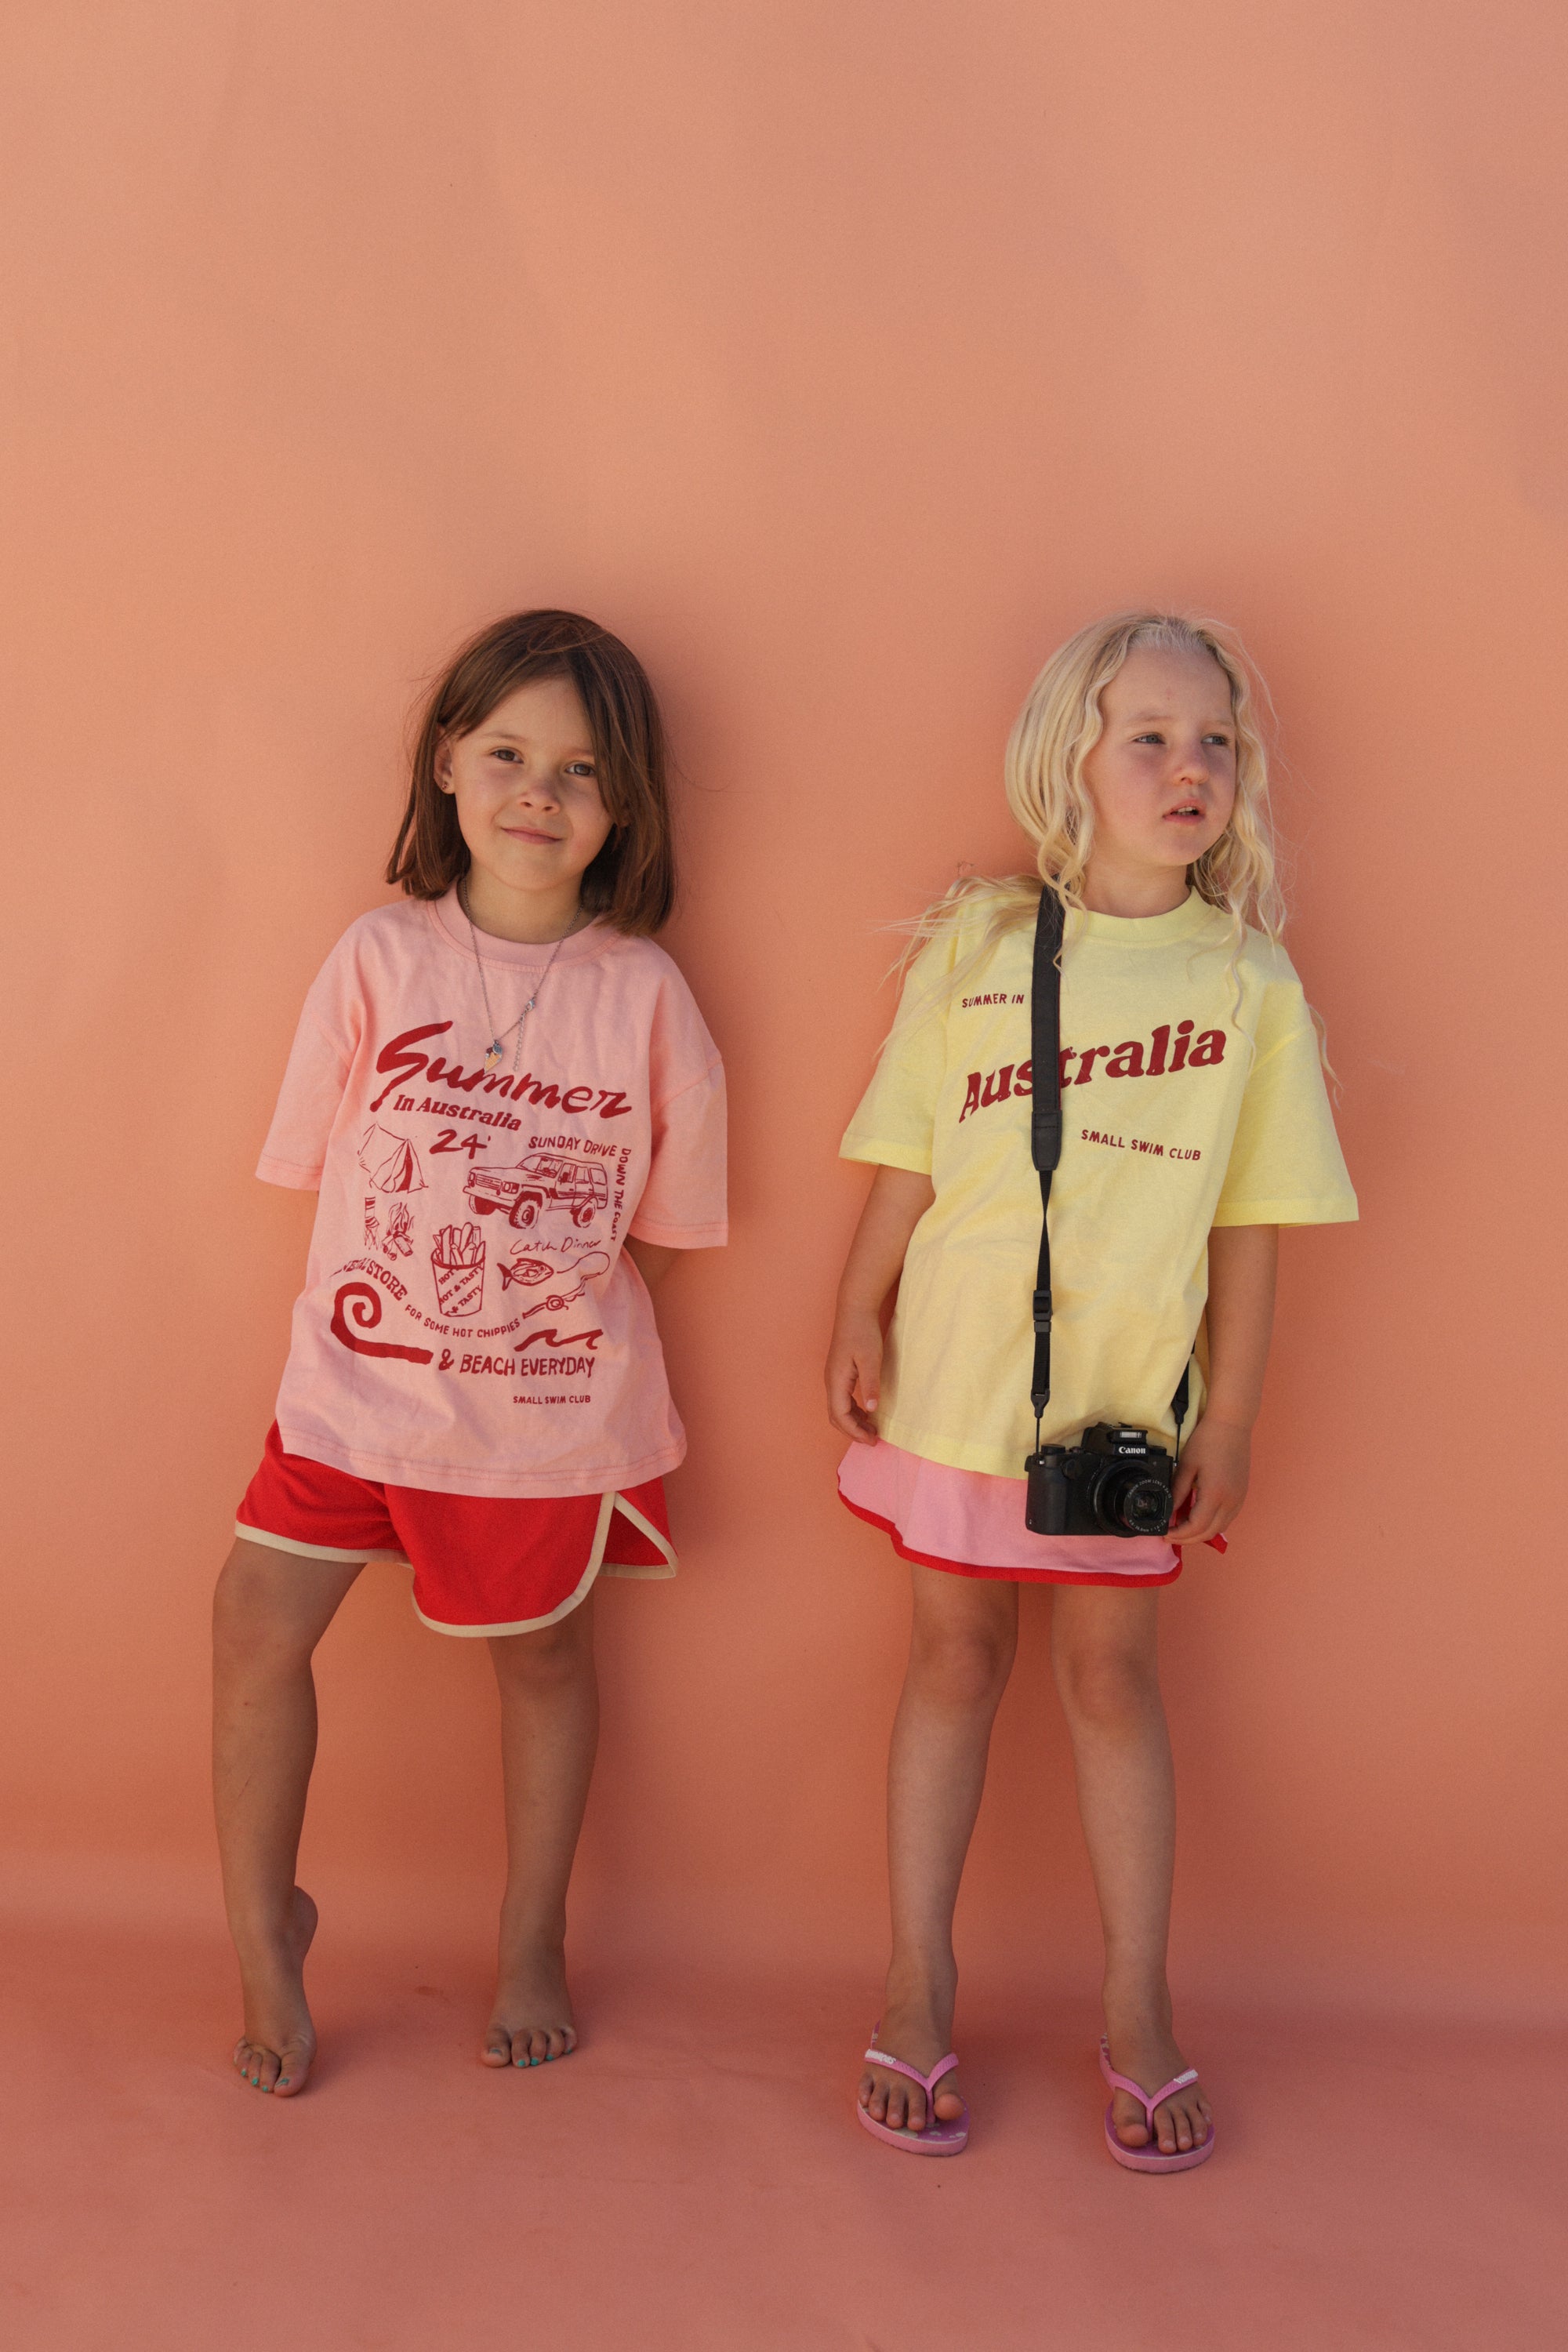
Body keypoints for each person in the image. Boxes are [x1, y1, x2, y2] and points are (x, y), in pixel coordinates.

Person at [826, 612, 1356, 2169]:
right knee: (947, 1658)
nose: (1189, 766)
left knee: (1113, 1679)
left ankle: (1137, 2003)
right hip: (956, 1385)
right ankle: (916, 1979)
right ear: (1076, 759)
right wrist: (854, 1308)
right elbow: (905, 1154)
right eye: (1150, 736)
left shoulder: (1249, 983)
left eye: (1215, 742)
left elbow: (1256, 1224)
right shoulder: (976, 950)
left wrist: (1234, 1415)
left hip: (1121, 1409)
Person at [214, 610, 726, 2096]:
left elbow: (674, 1230)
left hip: (544, 1412)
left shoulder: (644, 994)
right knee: (253, 1625)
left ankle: (529, 1939)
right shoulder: (376, 959)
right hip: (355, 1388)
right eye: (506, 753)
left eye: (578, 770)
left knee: (545, 1658)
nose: (537, 794)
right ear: (448, 763)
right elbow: (322, 1168)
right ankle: (265, 1928)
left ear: (621, 807)